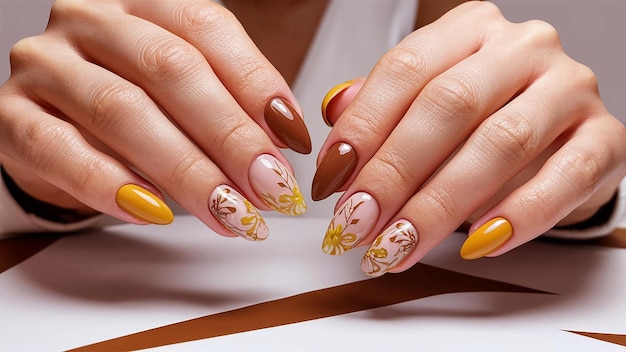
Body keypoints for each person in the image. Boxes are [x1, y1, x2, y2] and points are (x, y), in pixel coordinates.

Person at [0, 0, 624, 278]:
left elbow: (508, 138)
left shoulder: (428, 11)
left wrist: (578, 193)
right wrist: (27, 183)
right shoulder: (109, 20)